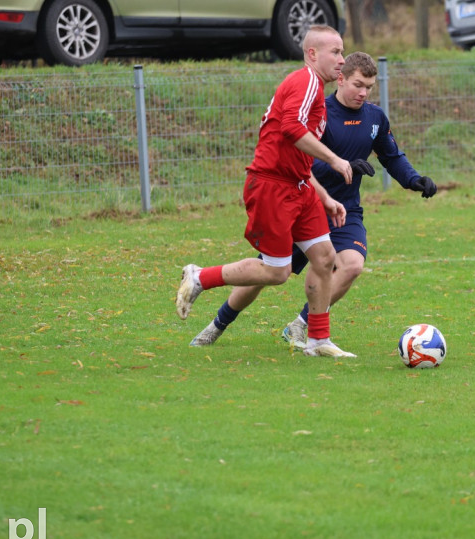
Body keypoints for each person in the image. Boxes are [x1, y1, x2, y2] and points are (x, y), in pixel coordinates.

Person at [186, 51, 437, 351]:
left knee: (352, 265)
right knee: (266, 273)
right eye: (358, 84)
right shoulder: (319, 112)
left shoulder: (375, 118)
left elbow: (392, 156)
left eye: (369, 87)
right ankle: (217, 324)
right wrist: (340, 163)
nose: (363, 92)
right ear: (341, 78)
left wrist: (413, 180)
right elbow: (301, 164)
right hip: (305, 204)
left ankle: (303, 326)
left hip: (346, 212)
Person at [175, 25, 357, 358]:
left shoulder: (313, 87)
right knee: (276, 271)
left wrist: (325, 197)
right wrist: (333, 159)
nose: (342, 60)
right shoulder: (306, 82)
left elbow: (298, 150)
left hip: (299, 186)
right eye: (335, 52)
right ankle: (201, 276)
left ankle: (318, 340)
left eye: (342, 52)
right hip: (272, 186)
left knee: (325, 257)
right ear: (312, 54)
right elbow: (291, 128)